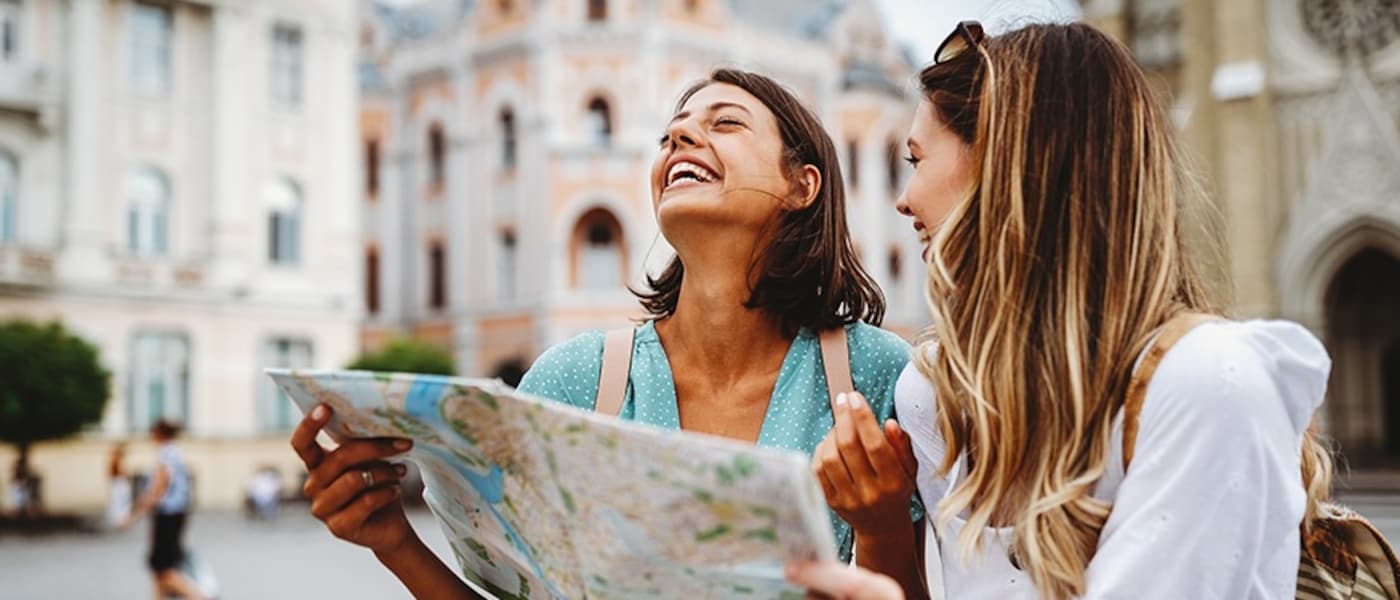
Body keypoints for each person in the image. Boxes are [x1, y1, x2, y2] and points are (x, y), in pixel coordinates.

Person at [290, 68, 918, 597]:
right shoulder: (575, 378)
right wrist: (396, 543)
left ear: (801, 185)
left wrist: (883, 529)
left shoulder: (878, 374)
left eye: (724, 123)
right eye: (672, 130)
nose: (679, 135)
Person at [791, 21, 1334, 600]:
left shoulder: (1207, 381)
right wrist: (882, 531)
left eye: (917, 160)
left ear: (1006, 166)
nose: (904, 198)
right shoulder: (936, 392)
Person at [122, 420, 204, 600]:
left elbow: (158, 488)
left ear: (158, 434)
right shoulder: (176, 451)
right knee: (159, 569)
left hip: (167, 515)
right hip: (175, 513)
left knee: (164, 569)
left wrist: (133, 515)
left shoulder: (166, 454)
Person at [106, 443, 132, 530]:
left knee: (118, 503)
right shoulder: (117, 461)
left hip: (116, 484)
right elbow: (122, 473)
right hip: (119, 484)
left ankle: (120, 521)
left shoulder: (113, 461)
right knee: (122, 503)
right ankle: (121, 521)